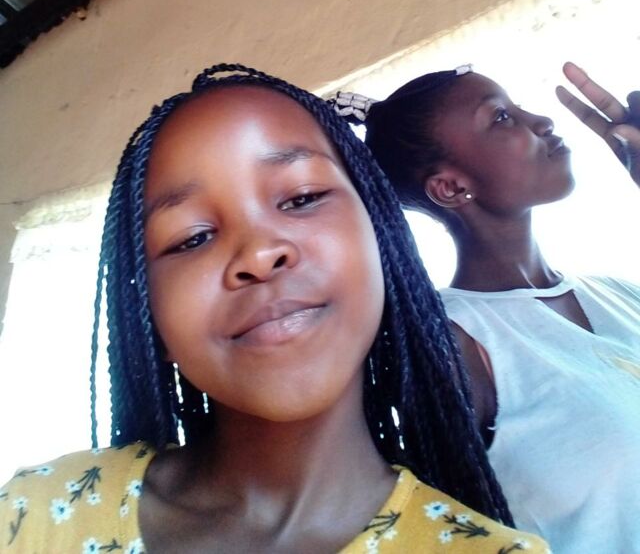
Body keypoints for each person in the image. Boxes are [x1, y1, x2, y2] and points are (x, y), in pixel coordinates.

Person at [0, 64, 549, 553]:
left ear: (383, 241)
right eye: (192, 238)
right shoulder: (34, 515)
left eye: (302, 198)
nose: (259, 255)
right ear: (152, 319)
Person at [338, 61, 640, 553]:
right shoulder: (452, 341)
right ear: (451, 187)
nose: (541, 121)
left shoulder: (621, 293)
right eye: (501, 117)